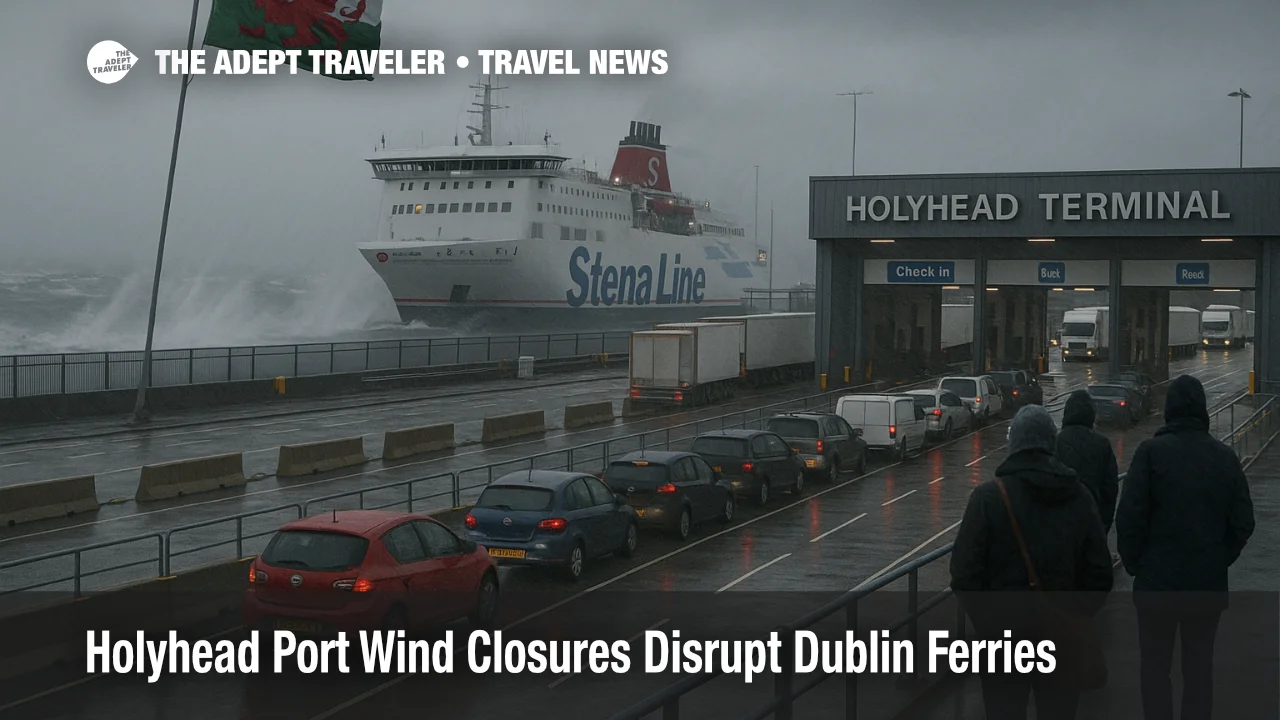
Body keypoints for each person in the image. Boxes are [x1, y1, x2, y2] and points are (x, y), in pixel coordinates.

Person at [952, 405, 1114, 720]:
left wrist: (988, 624)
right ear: (1051, 444)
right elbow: (1099, 575)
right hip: (1061, 640)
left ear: (1014, 445)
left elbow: (963, 573)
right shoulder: (1079, 497)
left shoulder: (988, 498)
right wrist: (1074, 615)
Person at [1116, 374, 1255, 720]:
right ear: (1203, 411)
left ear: (1169, 411)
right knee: (1198, 671)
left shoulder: (1149, 454)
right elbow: (1243, 521)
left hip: (1156, 585)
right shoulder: (1223, 457)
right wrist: (1219, 558)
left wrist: (1137, 565)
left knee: (1155, 669)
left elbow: (1129, 517)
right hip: (1205, 586)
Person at [1055, 389, 1120, 534]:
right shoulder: (1102, 444)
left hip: (1060, 529)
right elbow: (1110, 490)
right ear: (1092, 414)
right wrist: (1102, 528)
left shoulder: (1055, 442)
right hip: (1092, 526)